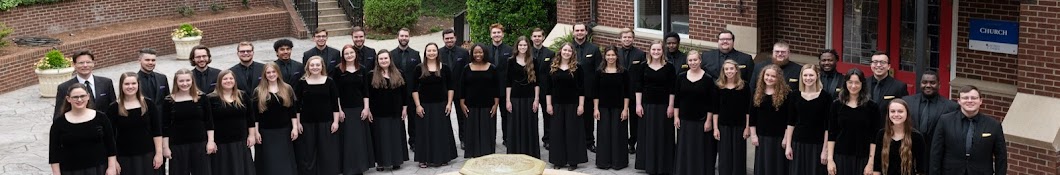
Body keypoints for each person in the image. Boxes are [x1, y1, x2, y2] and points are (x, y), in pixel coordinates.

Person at [930, 85, 1007, 175]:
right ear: (959, 101)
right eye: (965, 98)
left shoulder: (993, 125)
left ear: (980, 101)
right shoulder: (945, 121)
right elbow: (936, 153)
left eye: (974, 98)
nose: (970, 101)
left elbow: (1001, 157)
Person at [49, 84, 119, 175]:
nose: (79, 100)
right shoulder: (59, 123)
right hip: (70, 170)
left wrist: (111, 167)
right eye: (75, 97)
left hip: (99, 169)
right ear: (68, 99)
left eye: (82, 96)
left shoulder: (101, 118)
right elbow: (54, 153)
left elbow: (111, 145)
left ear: (88, 97)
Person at [411, 43, 458, 167]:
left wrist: (449, 103)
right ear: (425, 53)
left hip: (441, 105)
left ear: (438, 52)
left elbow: (451, 87)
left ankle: (442, 157)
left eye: (434, 50)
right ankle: (423, 159)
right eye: (429, 50)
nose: (431, 53)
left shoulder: (445, 68)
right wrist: (417, 105)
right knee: (424, 133)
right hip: (424, 106)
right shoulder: (419, 68)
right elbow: (414, 89)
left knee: (441, 132)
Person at [633, 41, 677, 175]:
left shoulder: (669, 67)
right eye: (654, 50)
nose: (656, 52)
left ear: (663, 51)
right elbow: (638, 87)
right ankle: (649, 164)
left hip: (664, 106)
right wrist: (638, 104)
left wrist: (671, 106)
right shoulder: (643, 66)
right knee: (648, 135)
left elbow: (672, 88)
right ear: (649, 51)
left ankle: (664, 165)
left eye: (659, 50)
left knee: (663, 134)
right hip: (647, 106)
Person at [826, 68, 880, 175]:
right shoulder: (836, 105)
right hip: (840, 156)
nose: (853, 86)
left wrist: (871, 163)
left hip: (863, 157)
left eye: (857, 83)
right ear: (845, 83)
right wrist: (830, 160)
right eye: (850, 82)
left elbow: (874, 137)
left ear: (862, 84)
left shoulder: (872, 107)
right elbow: (832, 134)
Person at [107, 72, 163, 175]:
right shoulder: (114, 108)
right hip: (125, 157)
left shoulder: (149, 104)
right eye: (127, 84)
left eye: (133, 83)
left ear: (138, 85)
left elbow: (157, 131)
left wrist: (159, 154)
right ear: (121, 86)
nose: (130, 86)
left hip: (148, 155)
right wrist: (113, 161)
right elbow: (110, 137)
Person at [293, 56, 341, 175]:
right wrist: (298, 123)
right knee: (308, 151)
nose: (315, 67)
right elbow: (297, 105)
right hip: (307, 122)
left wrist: (335, 122)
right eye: (312, 65)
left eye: (317, 65)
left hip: (326, 122)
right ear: (308, 67)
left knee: (326, 150)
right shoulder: (301, 83)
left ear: (322, 66)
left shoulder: (329, 81)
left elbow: (335, 103)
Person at [332, 44, 375, 174]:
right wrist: (339, 110)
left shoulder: (362, 69)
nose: (349, 55)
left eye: (351, 53)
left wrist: (366, 109)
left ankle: (360, 167)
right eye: (346, 53)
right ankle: (347, 167)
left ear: (355, 54)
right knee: (347, 140)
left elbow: (365, 91)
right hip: (344, 110)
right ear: (343, 56)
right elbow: (336, 93)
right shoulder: (338, 70)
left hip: (359, 110)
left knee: (359, 140)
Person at [673, 50, 718, 175]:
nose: (693, 62)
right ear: (687, 62)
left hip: (701, 120)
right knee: (685, 149)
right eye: (690, 60)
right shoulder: (681, 77)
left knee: (700, 149)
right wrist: (676, 117)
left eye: (695, 60)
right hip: (684, 120)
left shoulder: (708, 79)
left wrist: (709, 121)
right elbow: (677, 99)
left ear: (700, 61)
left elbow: (711, 103)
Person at [163, 69, 214, 175]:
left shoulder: (202, 98)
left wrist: (210, 141)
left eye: (187, 80)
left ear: (192, 81)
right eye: (181, 81)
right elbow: (165, 126)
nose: (185, 84)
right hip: (177, 145)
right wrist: (166, 147)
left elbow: (209, 121)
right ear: (176, 82)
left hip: (200, 143)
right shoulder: (169, 101)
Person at [783, 64, 832, 175]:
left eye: (811, 75)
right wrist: (789, 146)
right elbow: (791, 122)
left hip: (817, 145)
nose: (808, 78)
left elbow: (828, 126)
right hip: (798, 144)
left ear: (817, 76)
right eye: (805, 75)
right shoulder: (794, 95)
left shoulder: (826, 97)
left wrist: (825, 150)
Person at [545, 42, 587, 171]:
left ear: (572, 53)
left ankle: (573, 161)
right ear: (560, 51)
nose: (566, 52)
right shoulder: (553, 67)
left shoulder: (577, 68)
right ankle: (559, 160)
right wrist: (548, 105)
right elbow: (548, 88)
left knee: (572, 132)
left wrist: (581, 105)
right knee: (557, 133)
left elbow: (582, 89)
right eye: (565, 50)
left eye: (569, 51)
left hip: (573, 105)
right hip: (557, 104)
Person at [367, 50, 411, 171]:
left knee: (395, 137)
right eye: (381, 59)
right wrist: (369, 110)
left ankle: (396, 160)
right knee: (381, 138)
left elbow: (404, 93)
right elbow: (368, 95)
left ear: (390, 59)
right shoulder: (371, 75)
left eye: (385, 58)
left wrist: (405, 108)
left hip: (395, 111)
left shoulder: (399, 73)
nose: (383, 61)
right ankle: (381, 162)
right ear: (377, 61)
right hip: (378, 113)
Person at [901, 70, 958, 163]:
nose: (928, 85)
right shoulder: (907, 102)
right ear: (920, 84)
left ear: (939, 85)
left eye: (932, 83)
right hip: (909, 154)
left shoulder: (951, 107)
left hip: (936, 157)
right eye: (924, 82)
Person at [252, 63, 299, 175]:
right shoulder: (258, 91)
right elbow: (255, 115)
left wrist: (295, 127)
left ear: (278, 73)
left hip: (284, 131)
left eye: (274, 72)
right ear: (264, 75)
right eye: (268, 72)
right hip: (266, 132)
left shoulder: (287, 88)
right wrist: (256, 132)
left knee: (284, 159)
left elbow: (292, 111)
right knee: (269, 160)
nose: (271, 74)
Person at [207, 70, 257, 175]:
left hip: (240, 141)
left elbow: (250, 117)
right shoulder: (211, 99)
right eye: (225, 79)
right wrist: (211, 141)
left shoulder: (242, 96)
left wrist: (252, 135)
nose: (228, 81)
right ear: (219, 81)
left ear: (235, 80)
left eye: (231, 78)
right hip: (221, 143)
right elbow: (208, 122)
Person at [749, 64, 794, 175]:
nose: (769, 78)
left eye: (773, 76)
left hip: (779, 137)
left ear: (778, 78)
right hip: (762, 137)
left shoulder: (786, 94)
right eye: (767, 75)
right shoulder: (757, 92)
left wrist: (785, 138)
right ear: (762, 76)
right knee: (763, 165)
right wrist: (753, 135)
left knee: (777, 166)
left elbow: (789, 119)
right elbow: (752, 116)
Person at [459, 44, 500, 158]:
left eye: (480, 52)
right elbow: (462, 87)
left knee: (487, 131)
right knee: (471, 130)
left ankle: (487, 154)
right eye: (475, 52)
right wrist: (462, 103)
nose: (478, 54)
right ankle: (473, 154)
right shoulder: (467, 68)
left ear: (485, 53)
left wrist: (496, 104)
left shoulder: (492, 68)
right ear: (472, 54)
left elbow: (496, 88)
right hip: (470, 105)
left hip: (488, 105)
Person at [593, 46, 630, 170]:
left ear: (617, 56)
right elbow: (596, 92)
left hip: (619, 108)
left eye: (613, 55)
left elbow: (627, 92)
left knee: (618, 135)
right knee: (604, 135)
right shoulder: (599, 72)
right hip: (603, 108)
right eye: (608, 55)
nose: (611, 57)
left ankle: (618, 162)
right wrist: (596, 109)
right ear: (605, 56)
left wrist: (625, 109)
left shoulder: (623, 72)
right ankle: (604, 162)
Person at [713, 59, 751, 175]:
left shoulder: (744, 86)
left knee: (738, 156)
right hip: (723, 126)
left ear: (736, 70)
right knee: (724, 156)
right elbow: (715, 109)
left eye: (731, 69)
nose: (729, 71)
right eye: (726, 69)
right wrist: (715, 128)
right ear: (723, 71)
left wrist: (747, 127)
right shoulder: (719, 87)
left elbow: (748, 109)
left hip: (739, 126)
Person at [505, 37, 541, 157]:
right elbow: (508, 82)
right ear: (517, 47)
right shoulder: (510, 61)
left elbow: (537, 83)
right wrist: (508, 100)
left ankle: (530, 153)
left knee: (529, 125)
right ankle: (515, 152)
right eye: (520, 45)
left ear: (528, 47)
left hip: (530, 98)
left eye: (525, 45)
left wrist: (536, 100)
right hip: (515, 98)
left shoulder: (533, 61)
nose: (522, 47)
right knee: (514, 126)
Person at [54, 50, 115, 118]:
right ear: (74, 65)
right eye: (81, 63)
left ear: (93, 63)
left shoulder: (106, 83)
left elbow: (113, 110)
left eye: (88, 62)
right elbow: (58, 115)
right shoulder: (64, 88)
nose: (85, 65)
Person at [873, 99, 927, 175]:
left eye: (900, 111)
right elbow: (876, 166)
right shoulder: (881, 134)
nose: (896, 114)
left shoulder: (917, 137)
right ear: (888, 114)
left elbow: (921, 169)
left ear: (907, 114)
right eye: (892, 111)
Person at [571, 24, 603, 152]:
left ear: (586, 32)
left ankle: (589, 141)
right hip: (571, 90)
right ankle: (574, 141)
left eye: (582, 30)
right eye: (577, 30)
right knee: (572, 117)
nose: (579, 33)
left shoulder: (594, 49)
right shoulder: (568, 48)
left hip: (589, 90)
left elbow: (599, 70)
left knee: (588, 118)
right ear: (573, 32)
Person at [440, 29, 472, 149]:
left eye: (451, 38)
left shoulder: (463, 53)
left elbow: (468, 71)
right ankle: (445, 141)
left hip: (460, 89)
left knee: (462, 116)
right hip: (443, 90)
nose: (449, 40)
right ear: (443, 39)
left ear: (455, 38)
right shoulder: (438, 53)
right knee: (443, 116)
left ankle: (463, 139)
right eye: (446, 38)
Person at [391, 28, 423, 150]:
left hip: (412, 92)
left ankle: (414, 141)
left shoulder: (415, 54)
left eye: (406, 36)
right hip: (397, 93)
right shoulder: (391, 55)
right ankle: (399, 143)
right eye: (402, 36)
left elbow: (420, 73)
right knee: (398, 119)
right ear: (397, 37)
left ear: (409, 37)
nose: (404, 38)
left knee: (414, 119)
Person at [615, 28, 645, 154]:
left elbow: (642, 74)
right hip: (618, 91)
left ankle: (632, 142)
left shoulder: (640, 54)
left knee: (634, 121)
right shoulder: (615, 53)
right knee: (619, 118)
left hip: (634, 92)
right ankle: (620, 142)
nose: (627, 39)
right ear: (620, 38)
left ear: (633, 38)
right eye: (624, 37)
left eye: (629, 37)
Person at [484, 24, 514, 145]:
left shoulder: (510, 50)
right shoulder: (485, 50)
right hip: (489, 89)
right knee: (490, 115)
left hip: (505, 88)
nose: (496, 35)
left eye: (499, 33)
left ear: (503, 34)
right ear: (491, 35)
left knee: (506, 115)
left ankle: (507, 138)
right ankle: (491, 139)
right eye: (494, 33)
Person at [531, 28, 557, 150]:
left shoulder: (550, 53)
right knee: (531, 115)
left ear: (543, 37)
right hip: (531, 89)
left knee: (548, 115)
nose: (537, 38)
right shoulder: (527, 53)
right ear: (531, 38)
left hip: (546, 89)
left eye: (539, 36)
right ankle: (532, 139)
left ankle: (547, 139)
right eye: (535, 36)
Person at [866, 52, 909, 118]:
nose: (878, 65)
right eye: (875, 62)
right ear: (871, 65)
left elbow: (904, 110)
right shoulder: (863, 83)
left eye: (882, 62)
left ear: (889, 66)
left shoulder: (899, 86)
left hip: (887, 126)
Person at [137, 48, 170, 130]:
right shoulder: (133, 81)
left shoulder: (162, 78)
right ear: (139, 60)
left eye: (153, 60)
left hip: (162, 123)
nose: (150, 63)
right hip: (143, 123)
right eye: (147, 60)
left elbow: (167, 100)